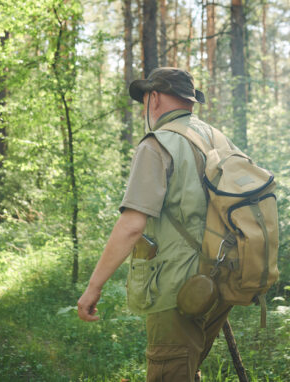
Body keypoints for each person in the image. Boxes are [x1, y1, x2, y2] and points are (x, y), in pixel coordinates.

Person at [77, 67, 233, 381]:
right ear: (190, 101)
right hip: (220, 280)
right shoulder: (216, 138)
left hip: (179, 289)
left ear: (156, 97)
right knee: (187, 368)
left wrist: (93, 287)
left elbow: (132, 224)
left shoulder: (158, 144)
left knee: (170, 370)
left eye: (146, 97)